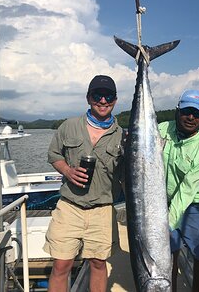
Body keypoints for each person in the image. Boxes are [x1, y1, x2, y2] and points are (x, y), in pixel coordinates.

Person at [43, 75, 125, 292]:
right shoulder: (69, 126)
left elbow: (127, 174)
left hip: (102, 210)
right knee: (61, 265)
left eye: (108, 96)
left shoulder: (122, 137)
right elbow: (53, 155)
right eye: (98, 95)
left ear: (115, 100)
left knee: (98, 263)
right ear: (89, 98)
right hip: (69, 207)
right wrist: (67, 171)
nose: (103, 100)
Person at [158, 90, 199, 292]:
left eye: (197, 114)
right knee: (168, 252)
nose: (191, 117)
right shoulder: (162, 130)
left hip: (195, 203)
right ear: (177, 110)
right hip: (163, 199)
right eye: (187, 111)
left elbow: (186, 193)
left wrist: (164, 226)